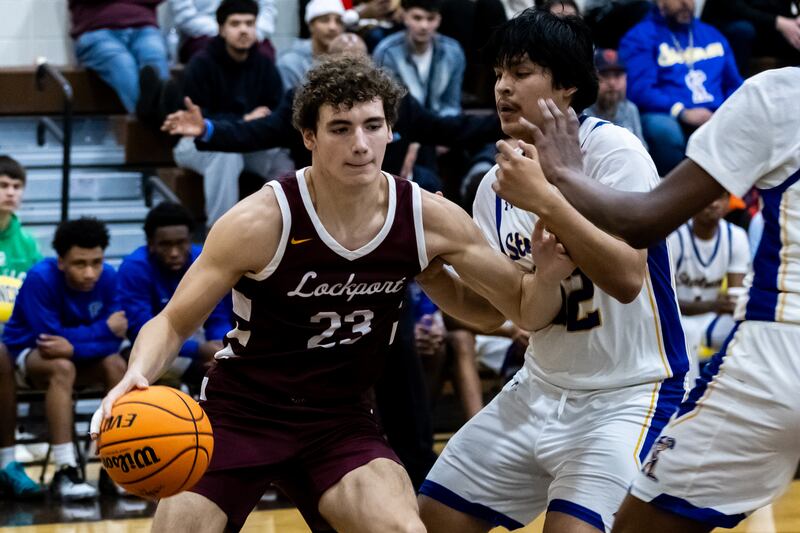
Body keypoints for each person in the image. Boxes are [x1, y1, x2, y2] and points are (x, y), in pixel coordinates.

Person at [92, 55, 566, 533]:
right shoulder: (260, 220)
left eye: (372, 125)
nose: (359, 144)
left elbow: (496, 314)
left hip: (338, 419)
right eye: (340, 128)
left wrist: (445, 274)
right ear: (309, 137)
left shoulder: (426, 217)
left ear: (390, 131)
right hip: (241, 413)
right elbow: (173, 321)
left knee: (402, 531)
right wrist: (137, 372)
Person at [490, 65, 800, 533]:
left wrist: (561, 174)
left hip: (777, 353)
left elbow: (643, 222)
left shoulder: (780, 93)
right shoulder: (489, 190)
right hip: (552, 377)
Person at [418, 10, 687, 533]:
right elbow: (500, 309)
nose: (502, 87)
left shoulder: (614, 152)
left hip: (629, 395)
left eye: (520, 72)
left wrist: (548, 199)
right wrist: (432, 275)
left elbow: (627, 279)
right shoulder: (493, 187)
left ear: (566, 86)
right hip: (538, 387)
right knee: (429, 521)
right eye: (499, 74)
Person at [160, 33, 502, 177]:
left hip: (382, 197)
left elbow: (453, 129)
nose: (352, 71)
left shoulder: (396, 101)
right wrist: (206, 128)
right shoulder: (303, 101)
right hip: (321, 198)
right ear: (324, 65)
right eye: (343, 62)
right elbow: (256, 133)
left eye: (359, 61)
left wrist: (510, 120)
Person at [3, 218, 127, 500]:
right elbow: (49, 343)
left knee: (117, 364)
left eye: (96, 262)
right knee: (61, 366)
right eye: (79, 264)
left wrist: (75, 345)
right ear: (60, 261)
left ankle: (118, 464)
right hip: (27, 356)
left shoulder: (109, 277)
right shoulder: (40, 277)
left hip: (78, 358)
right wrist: (100, 332)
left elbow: (115, 337)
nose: (89, 273)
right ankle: (66, 469)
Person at [172, 0, 290, 227]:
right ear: (221, 29)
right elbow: (195, 121)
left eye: (249, 23)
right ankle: (220, 234)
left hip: (249, 142)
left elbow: (277, 115)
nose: (244, 29)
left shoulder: (265, 66)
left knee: (281, 154)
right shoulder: (201, 64)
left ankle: (285, 231)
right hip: (195, 144)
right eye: (235, 24)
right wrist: (243, 121)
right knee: (226, 152)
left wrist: (254, 125)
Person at [619, 0, 742, 175]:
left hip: (716, 113)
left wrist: (728, 112)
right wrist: (681, 111)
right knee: (664, 131)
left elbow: (734, 83)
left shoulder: (711, 34)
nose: (685, 3)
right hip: (670, 114)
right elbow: (640, 89)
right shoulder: (641, 37)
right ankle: (670, 196)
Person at [118, 202, 232, 389]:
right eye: (165, 245)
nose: (174, 253)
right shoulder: (134, 268)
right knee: (186, 374)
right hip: (144, 346)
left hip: (195, 339)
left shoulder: (202, 260)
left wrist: (219, 347)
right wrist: (199, 350)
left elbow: (217, 314)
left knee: (226, 370)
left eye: (181, 243)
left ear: (190, 239)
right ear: (151, 244)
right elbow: (139, 328)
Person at [667, 193, 749, 382]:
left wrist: (719, 306)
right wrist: (712, 305)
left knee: (747, 332)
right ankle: (687, 400)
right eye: (707, 197)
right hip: (676, 319)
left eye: (720, 198)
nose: (712, 203)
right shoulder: (674, 236)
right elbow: (664, 303)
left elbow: (734, 301)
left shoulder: (736, 237)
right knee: (685, 333)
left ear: (728, 203)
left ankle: (735, 391)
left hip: (711, 320)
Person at [0, 156, 44, 498]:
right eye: (3, 186)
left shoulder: (27, 243)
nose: (10, 193)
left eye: (16, 187)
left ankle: (9, 457)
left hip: (15, 341)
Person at [69, 0, 170, 114]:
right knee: (122, 63)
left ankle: (156, 118)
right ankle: (160, 120)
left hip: (145, 27)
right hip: (97, 30)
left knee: (155, 56)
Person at [373, 0, 466, 118]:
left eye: (430, 19)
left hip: (442, 126)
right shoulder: (387, 52)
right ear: (404, 17)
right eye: (417, 18)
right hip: (404, 126)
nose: (424, 26)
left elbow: (451, 103)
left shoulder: (453, 51)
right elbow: (390, 105)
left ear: (439, 20)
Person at [702, 0, 800, 75]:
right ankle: (735, 86)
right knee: (744, 30)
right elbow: (735, 8)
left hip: (768, 25)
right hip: (729, 26)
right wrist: (778, 22)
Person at [169, 0, 277, 63]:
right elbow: (184, 15)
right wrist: (227, 31)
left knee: (264, 54)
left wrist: (253, 32)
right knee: (206, 57)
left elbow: (268, 10)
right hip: (202, 34)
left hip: (250, 31)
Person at [584, 48, 646, 147]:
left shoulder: (630, 109)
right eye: (604, 75)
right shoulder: (583, 111)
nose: (612, 83)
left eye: (617, 75)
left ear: (626, 78)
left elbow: (642, 149)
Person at [277, 0, 345, 91]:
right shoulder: (291, 62)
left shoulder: (347, 56)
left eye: (339, 21)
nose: (333, 27)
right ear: (310, 25)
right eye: (324, 20)